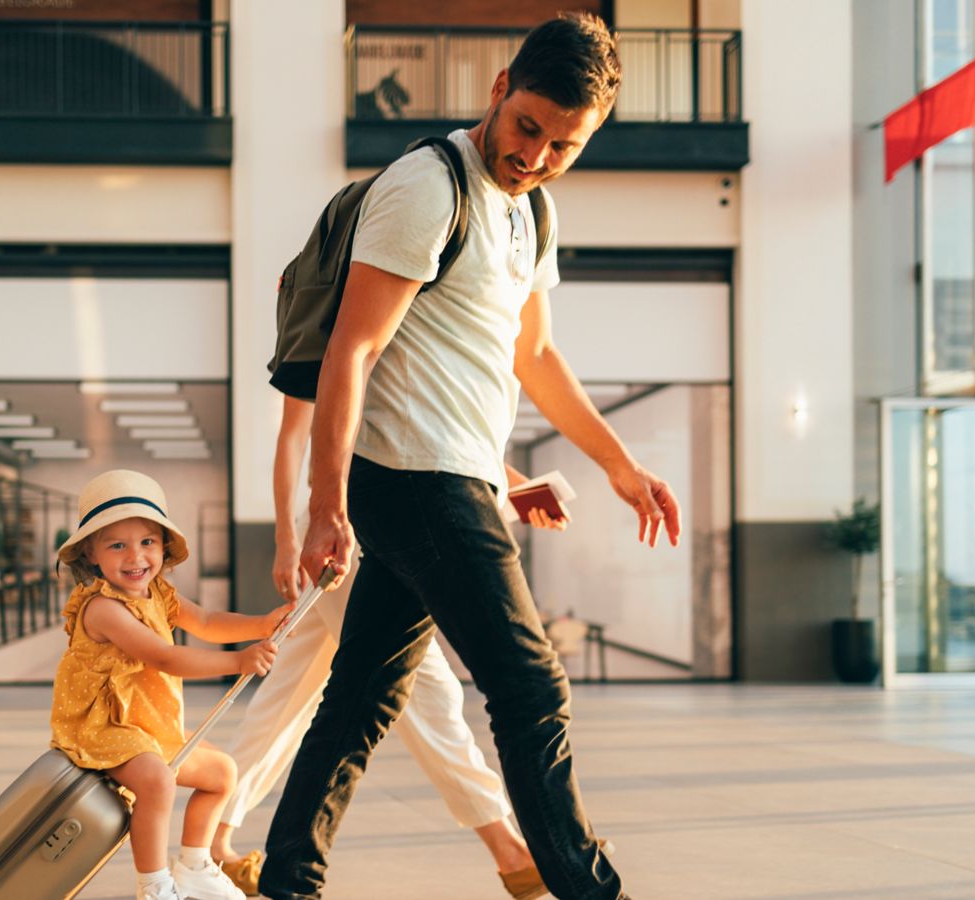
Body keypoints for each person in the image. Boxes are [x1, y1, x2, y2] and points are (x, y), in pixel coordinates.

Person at [258, 14, 680, 900]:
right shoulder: (427, 186)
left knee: (359, 701)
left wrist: (617, 464)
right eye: (528, 127)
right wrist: (326, 507)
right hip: (414, 480)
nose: (536, 156)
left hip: (455, 480)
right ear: (499, 89)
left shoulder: (533, 211)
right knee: (532, 690)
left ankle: (289, 878)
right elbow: (353, 351)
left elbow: (534, 359)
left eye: (564, 145)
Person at [210, 395, 568, 898]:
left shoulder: (406, 340)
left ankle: (211, 840)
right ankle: (508, 851)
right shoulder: (335, 326)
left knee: (286, 696)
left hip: (380, 525)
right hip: (339, 532)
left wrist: (518, 488)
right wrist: (287, 540)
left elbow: (432, 437)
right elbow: (293, 437)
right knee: (426, 689)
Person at [51, 469, 293, 900]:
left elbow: (206, 622)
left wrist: (262, 623)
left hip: (145, 727)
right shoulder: (103, 608)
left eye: (147, 542)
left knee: (222, 773)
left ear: (163, 545)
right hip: (105, 729)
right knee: (158, 780)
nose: (135, 557)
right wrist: (238, 661)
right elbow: (163, 657)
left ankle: (197, 864)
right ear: (92, 554)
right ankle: (155, 885)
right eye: (117, 545)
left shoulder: (160, 594)